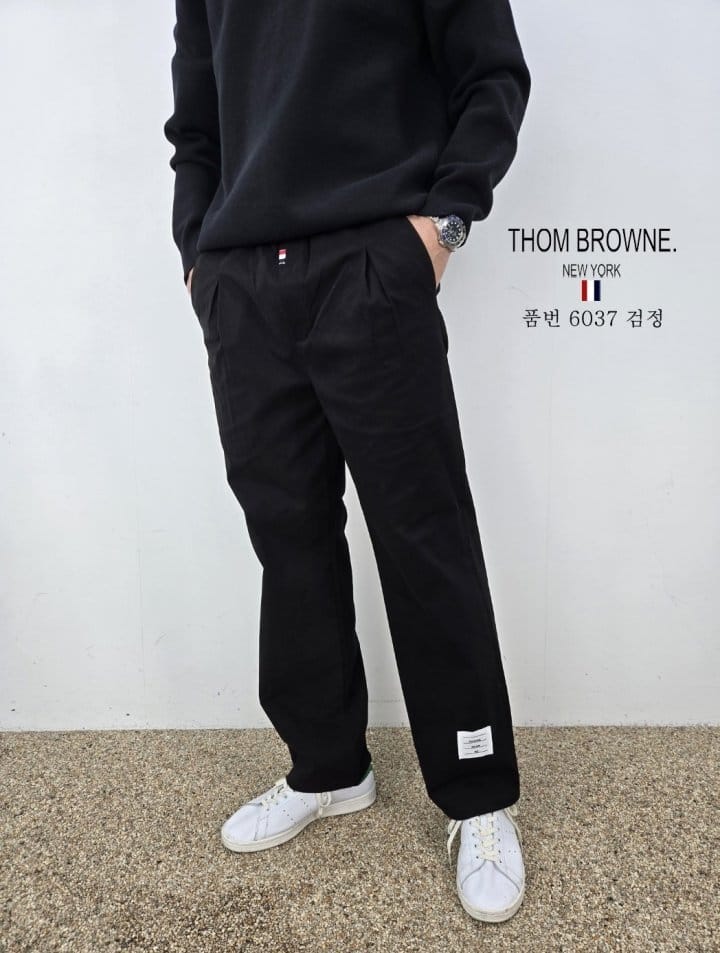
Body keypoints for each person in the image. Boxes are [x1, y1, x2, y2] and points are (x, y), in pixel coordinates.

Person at [163, 0, 531, 924]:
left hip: (373, 262)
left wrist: (442, 227)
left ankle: (478, 792)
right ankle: (328, 766)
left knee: (423, 535)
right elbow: (195, 120)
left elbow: (492, 74)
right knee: (288, 538)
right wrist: (199, 256)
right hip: (244, 279)